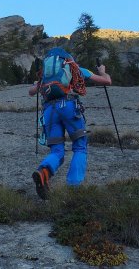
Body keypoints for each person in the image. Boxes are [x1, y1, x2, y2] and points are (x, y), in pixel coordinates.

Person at [28, 48, 111, 199]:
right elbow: (107, 81)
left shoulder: (45, 76)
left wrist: (37, 83)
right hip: (68, 107)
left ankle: (44, 172)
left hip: (49, 111)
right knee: (79, 147)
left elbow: (31, 91)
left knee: (57, 152)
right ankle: (73, 187)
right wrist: (102, 71)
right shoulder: (74, 68)